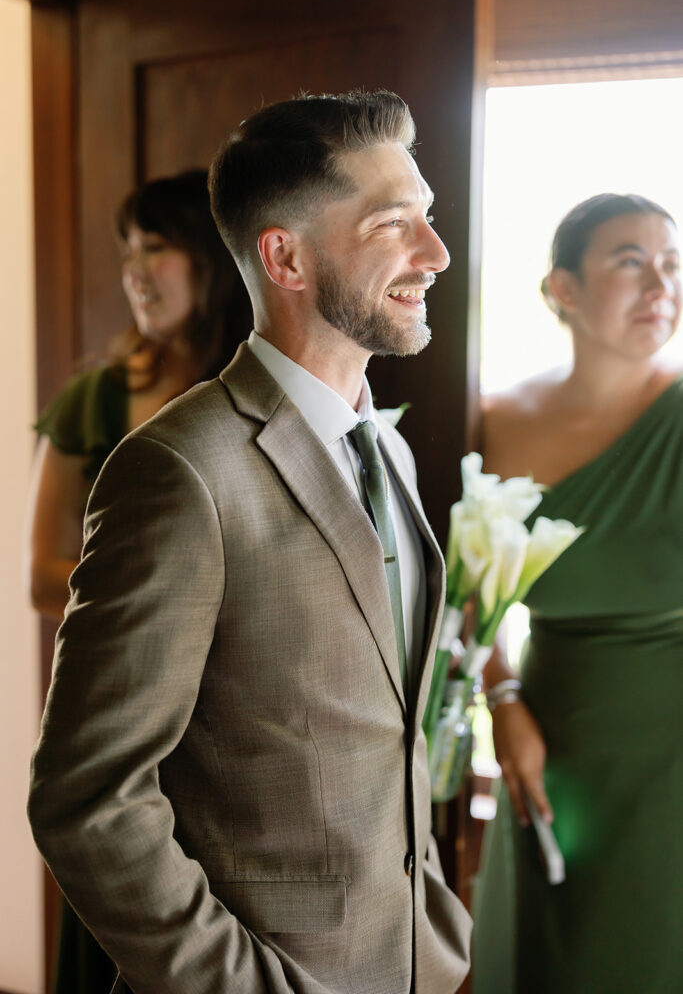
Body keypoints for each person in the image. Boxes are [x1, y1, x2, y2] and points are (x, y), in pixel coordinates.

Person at [28, 90, 472, 994]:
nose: (435, 253)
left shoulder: (386, 447)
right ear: (285, 257)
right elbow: (88, 798)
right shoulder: (180, 469)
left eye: (427, 217)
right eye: (395, 224)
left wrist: (432, 927)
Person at [25, 167, 252, 992]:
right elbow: (42, 576)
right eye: (126, 251)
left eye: (154, 248)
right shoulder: (95, 397)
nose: (133, 270)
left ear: (214, 259)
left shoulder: (258, 401)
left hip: (245, 726)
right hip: (123, 712)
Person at [472, 193, 683, 994]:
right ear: (562, 288)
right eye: (629, 262)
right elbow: (467, 594)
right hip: (549, 735)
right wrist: (504, 703)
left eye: (669, 265)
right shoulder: (495, 421)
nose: (659, 285)